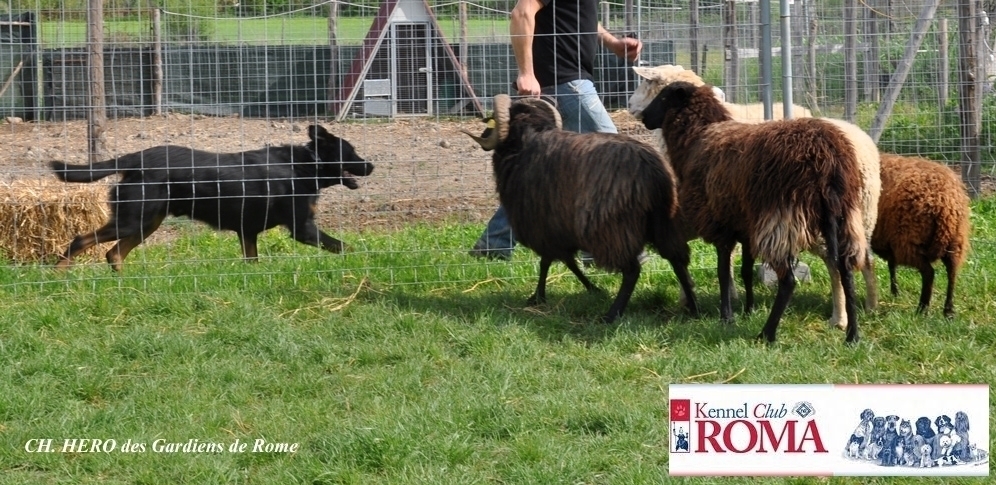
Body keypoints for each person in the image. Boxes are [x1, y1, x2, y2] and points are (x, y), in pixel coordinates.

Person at [469, 0, 644, 263]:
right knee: (614, 156)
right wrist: (526, 73)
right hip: (566, 83)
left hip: (568, 82)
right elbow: (522, 13)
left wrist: (612, 43)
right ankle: (604, 247)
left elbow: (575, 14)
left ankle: (495, 243)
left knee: (538, 172)